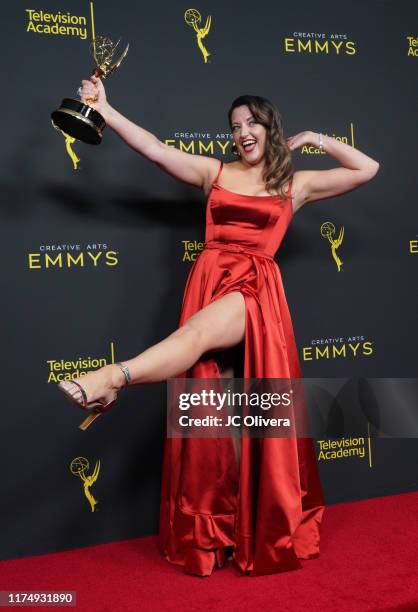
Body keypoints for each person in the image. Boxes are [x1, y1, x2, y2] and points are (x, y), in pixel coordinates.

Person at [58, 76, 380, 576]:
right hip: (210, 281)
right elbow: (155, 150)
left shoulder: (296, 185)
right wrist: (107, 108)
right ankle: (227, 531)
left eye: (252, 122)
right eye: (234, 126)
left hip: (254, 289)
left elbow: (367, 168)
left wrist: (314, 139)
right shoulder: (215, 172)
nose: (243, 132)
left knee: (193, 340)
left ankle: (113, 379)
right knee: (220, 419)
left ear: (272, 127)